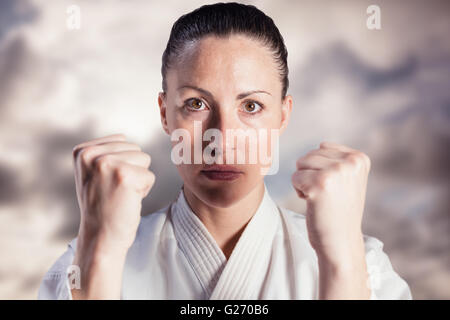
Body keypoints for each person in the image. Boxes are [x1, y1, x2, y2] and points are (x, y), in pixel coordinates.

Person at [38, 2, 412, 300]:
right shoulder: (82, 267)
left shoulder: (364, 269)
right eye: (196, 104)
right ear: (165, 113)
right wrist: (99, 252)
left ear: (283, 116)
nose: (223, 139)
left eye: (251, 106)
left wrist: (342, 264)